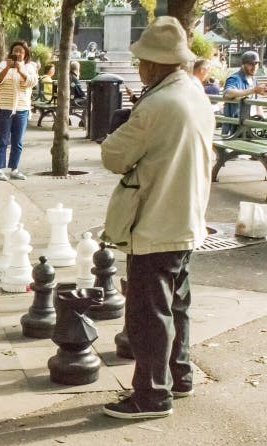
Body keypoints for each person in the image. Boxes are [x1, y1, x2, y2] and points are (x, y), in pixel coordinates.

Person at [100, 17, 214, 420]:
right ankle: (179, 375)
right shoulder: (194, 91)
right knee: (177, 302)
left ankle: (151, 396)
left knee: (149, 313)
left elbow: (113, 155)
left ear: (153, 63)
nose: (139, 67)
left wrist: (126, 122)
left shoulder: (156, 105)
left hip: (157, 220)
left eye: (142, 61)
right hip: (187, 217)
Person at [0, 40, 37, 181]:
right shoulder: (3, 64)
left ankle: (14, 169)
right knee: (2, 140)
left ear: (25, 54)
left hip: (22, 109)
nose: (17, 53)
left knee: (17, 141)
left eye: (21, 52)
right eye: (15, 50)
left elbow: (32, 82)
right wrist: (7, 68)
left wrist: (20, 70)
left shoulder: (29, 67)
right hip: (5, 108)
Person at [222, 51, 267, 135]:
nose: (254, 67)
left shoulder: (254, 79)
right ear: (242, 64)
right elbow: (227, 93)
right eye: (251, 64)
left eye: (256, 64)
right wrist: (253, 90)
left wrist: (263, 123)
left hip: (250, 126)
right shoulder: (234, 78)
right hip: (235, 128)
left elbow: (257, 104)